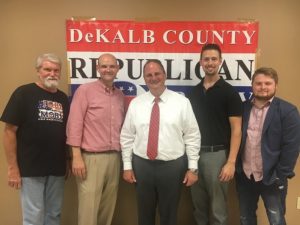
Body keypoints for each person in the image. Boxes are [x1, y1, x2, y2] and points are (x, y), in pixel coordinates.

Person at [121, 59, 201, 225]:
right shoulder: (136, 104)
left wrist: (193, 168)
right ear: (144, 78)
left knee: (169, 215)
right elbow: (127, 136)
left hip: (172, 167)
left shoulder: (182, 103)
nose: (153, 78)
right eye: (149, 75)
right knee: (144, 214)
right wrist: (127, 166)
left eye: (157, 73)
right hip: (142, 166)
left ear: (164, 75)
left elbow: (192, 135)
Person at [1, 53, 70, 225]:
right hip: (30, 168)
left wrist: (68, 160)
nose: (52, 73)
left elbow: (67, 133)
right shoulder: (23, 93)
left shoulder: (62, 98)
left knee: (54, 214)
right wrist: (12, 168)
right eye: (47, 69)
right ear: (38, 71)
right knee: (33, 217)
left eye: (56, 70)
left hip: (57, 169)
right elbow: (9, 132)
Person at [235, 67, 300, 225]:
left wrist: (280, 175)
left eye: (267, 83)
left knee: (276, 219)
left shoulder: (288, 111)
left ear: (276, 85)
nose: (263, 87)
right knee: (246, 218)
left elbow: (292, 147)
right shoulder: (242, 108)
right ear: (252, 85)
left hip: (272, 178)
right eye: (258, 83)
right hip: (245, 176)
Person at [66, 53, 125, 225]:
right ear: (98, 68)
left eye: (112, 66)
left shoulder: (120, 95)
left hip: (114, 157)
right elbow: (74, 124)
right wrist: (76, 157)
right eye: (104, 66)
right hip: (90, 158)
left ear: (117, 69)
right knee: (88, 208)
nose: (108, 69)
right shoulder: (85, 91)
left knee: (108, 207)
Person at [188, 43, 242, 225]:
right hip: (194, 155)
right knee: (198, 206)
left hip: (217, 156)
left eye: (213, 59)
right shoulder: (193, 93)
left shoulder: (229, 93)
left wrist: (231, 162)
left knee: (218, 209)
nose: (210, 63)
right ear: (200, 62)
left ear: (220, 61)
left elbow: (236, 130)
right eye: (206, 59)